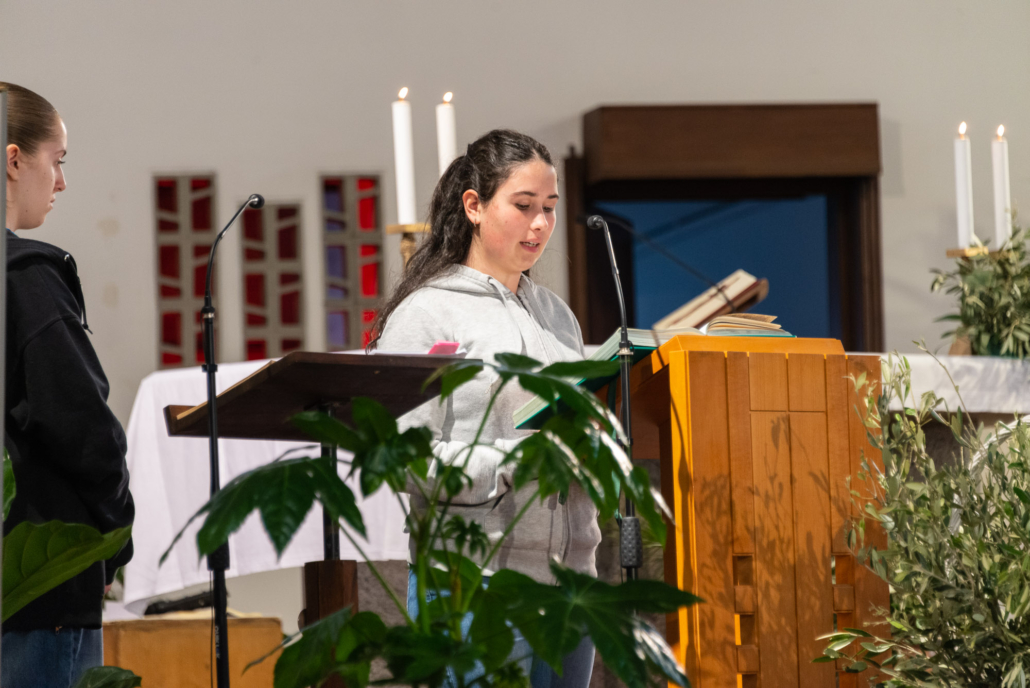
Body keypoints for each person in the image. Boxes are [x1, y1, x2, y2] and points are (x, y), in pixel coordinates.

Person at [373, 129, 596, 688]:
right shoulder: (427, 314)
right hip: (474, 584)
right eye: (523, 206)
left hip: (571, 587)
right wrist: (514, 460)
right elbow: (403, 458)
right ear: (473, 205)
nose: (540, 224)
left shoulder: (556, 315)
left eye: (549, 208)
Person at [2, 82, 135, 687]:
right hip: (37, 587)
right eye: (56, 160)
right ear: (13, 159)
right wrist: (114, 538)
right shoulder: (25, 280)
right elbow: (84, 430)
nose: (60, 182)